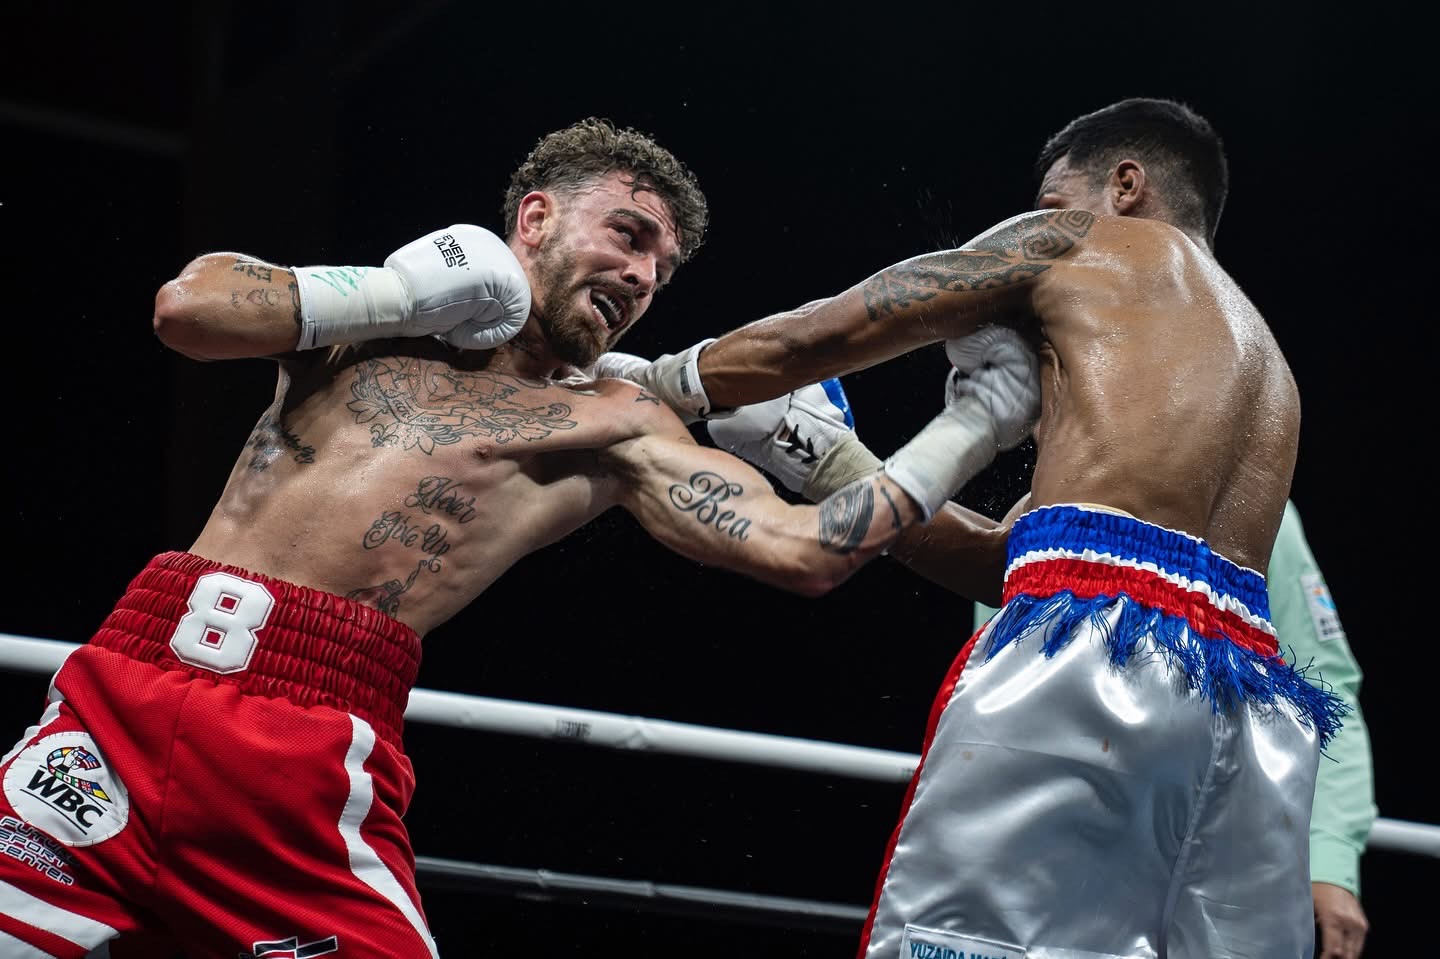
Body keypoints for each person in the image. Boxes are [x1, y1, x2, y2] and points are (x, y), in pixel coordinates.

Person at [0, 118, 1034, 959]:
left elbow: (805, 552)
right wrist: (396, 289)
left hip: (307, 746)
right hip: (121, 693)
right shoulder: (382, 314)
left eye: (664, 268)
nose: (644, 275)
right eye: (630, 234)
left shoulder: (619, 425)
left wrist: (966, 423)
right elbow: (189, 307)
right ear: (533, 216)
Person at [617, 98, 1349, 957]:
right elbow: (1016, 567)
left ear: (1124, 185)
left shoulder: (1077, 241)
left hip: (1090, 665)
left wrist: (654, 384)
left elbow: (824, 332)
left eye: (1050, 198)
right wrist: (827, 459)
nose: (1036, 219)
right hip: (1254, 713)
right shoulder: (1267, 371)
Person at [969, 507, 1376, 957]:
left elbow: (1325, 685)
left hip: (1215, 859)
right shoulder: (1042, 497)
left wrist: (1331, 860)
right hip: (1042, 844)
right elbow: (998, 678)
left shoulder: (1250, 486)